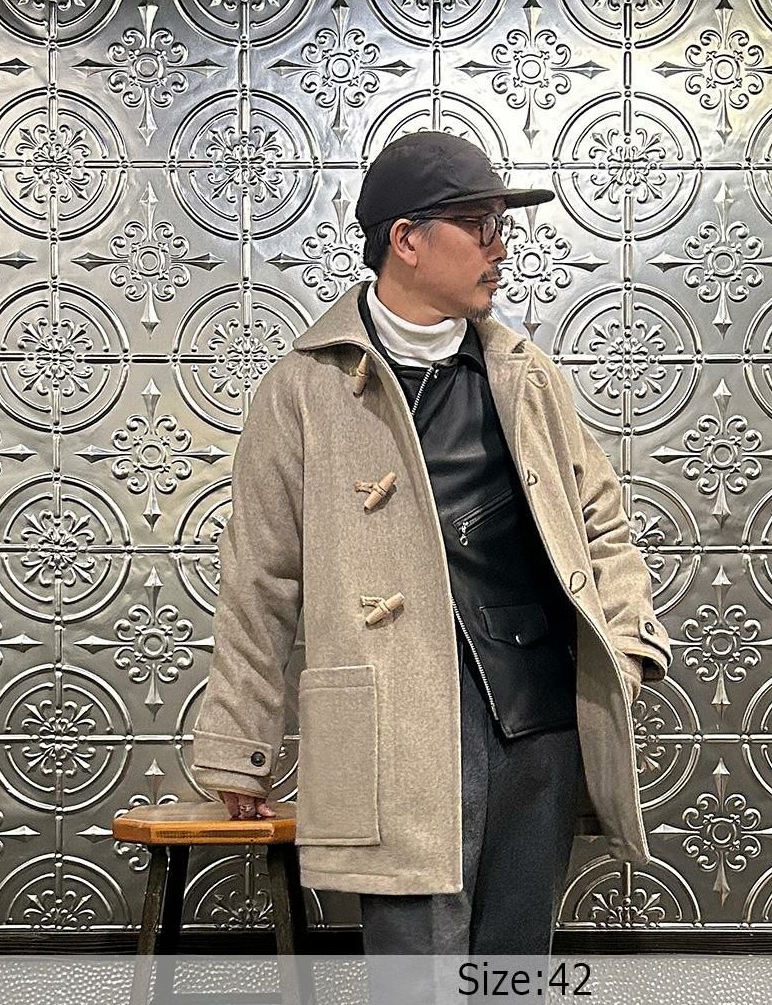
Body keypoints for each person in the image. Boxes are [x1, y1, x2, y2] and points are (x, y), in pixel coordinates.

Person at [190, 130, 672, 998]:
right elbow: (260, 575)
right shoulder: (305, 387)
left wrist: (628, 645)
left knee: (513, 970)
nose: (500, 247)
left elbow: (602, 521)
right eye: (479, 225)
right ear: (406, 239)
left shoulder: (524, 374)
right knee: (420, 976)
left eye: (500, 226)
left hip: (537, 715)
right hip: (393, 722)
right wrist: (239, 749)